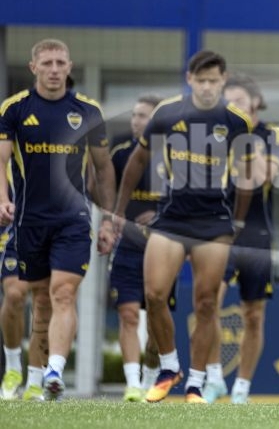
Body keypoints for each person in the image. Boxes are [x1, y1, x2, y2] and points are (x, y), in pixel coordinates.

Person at [113, 50, 253, 404]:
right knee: (154, 294)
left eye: (213, 81)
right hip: (172, 217)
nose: (207, 87)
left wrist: (237, 221)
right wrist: (118, 210)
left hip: (214, 222)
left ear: (223, 81)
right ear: (189, 80)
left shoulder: (235, 120)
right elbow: (138, 160)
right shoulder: (167, 112)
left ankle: (195, 384)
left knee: (206, 303)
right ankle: (169, 367)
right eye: (200, 80)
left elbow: (247, 175)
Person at [0, 39, 116, 401]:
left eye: (60, 62)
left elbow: (103, 168)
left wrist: (108, 219)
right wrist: (2, 198)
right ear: (33, 67)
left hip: (72, 220)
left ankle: (52, 371)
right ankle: (17, 368)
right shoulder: (15, 109)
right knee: (27, 297)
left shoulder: (87, 111)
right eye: (47, 63)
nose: (54, 69)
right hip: (28, 221)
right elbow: (1, 159)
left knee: (62, 293)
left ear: (69, 66)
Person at [202, 73, 279, 404]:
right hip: (219, 230)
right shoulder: (215, 133)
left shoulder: (272, 134)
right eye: (228, 102)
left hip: (256, 233)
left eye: (238, 101)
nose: (232, 107)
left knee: (253, 314)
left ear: (255, 102)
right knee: (209, 302)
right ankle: (213, 377)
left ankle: (242, 388)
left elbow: (264, 175)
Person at [107, 94, 167, 402]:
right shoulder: (119, 153)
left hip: (163, 250)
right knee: (128, 313)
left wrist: (158, 216)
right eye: (134, 115)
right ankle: (132, 384)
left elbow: (186, 202)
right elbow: (107, 194)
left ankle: (151, 377)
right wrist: (111, 221)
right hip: (128, 247)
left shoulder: (173, 155)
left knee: (157, 322)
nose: (136, 121)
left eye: (143, 115)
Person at [1, 223, 46, 401]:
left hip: (53, 222)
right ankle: (12, 370)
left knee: (44, 300)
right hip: (15, 224)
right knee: (14, 295)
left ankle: (35, 382)